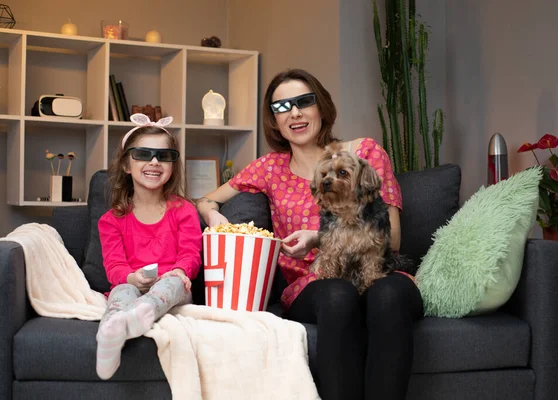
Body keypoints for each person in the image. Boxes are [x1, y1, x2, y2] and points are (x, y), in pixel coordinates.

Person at [196, 69, 423, 400]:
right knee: (338, 294)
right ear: (273, 121)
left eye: (304, 102)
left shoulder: (364, 152)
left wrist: (319, 237)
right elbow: (204, 199)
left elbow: (391, 240)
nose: (294, 113)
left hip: (377, 271)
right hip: (314, 284)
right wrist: (212, 214)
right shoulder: (268, 168)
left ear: (322, 107)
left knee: (388, 295)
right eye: (282, 107)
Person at [96, 114, 202, 380]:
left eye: (163, 156)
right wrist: (132, 278)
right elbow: (114, 266)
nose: (154, 162)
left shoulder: (184, 211)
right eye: (144, 154)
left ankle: (143, 313)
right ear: (126, 165)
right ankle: (110, 335)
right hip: (133, 284)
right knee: (122, 289)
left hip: (172, 289)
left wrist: (179, 271)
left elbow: (190, 253)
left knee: (174, 283)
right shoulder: (110, 221)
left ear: (172, 166)